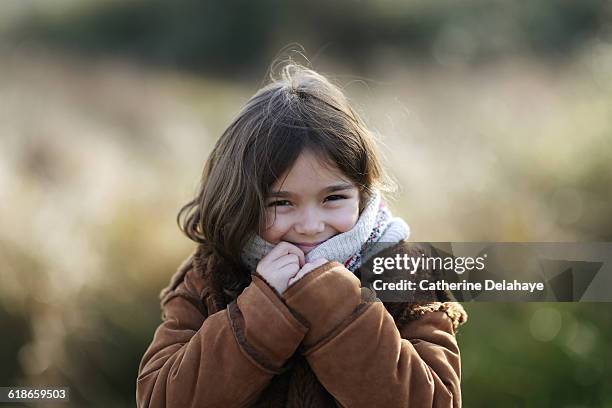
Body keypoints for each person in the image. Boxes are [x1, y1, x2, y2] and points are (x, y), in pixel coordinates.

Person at [136, 63, 467, 407]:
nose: (311, 225)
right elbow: (159, 400)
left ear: (362, 193)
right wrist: (263, 311)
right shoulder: (211, 274)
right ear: (243, 202)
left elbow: (436, 401)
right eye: (281, 202)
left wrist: (337, 305)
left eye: (333, 198)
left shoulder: (406, 274)